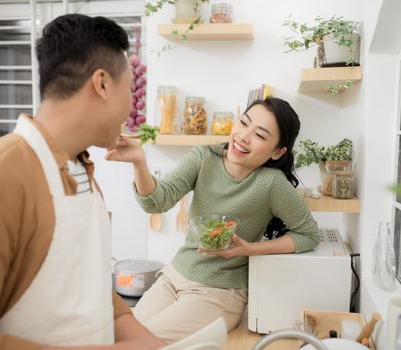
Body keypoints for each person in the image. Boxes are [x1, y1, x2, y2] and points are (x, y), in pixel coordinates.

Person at [0, 14, 164, 350]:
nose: (131, 105)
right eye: (128, 88)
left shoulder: (84, 175)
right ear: (101, 84)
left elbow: (94, 291)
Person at [106, 96, 321, 343]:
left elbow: (308, 234)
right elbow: (157, 202)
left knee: (139, 343)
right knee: (117, 335)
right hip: (174, 275)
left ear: (277, 152)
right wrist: (139, 162)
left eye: (260, 135)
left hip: (220, 292)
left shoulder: (272, 184)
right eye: (244, 123)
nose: (243, 136)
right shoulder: (203, 157)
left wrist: (249, 249)